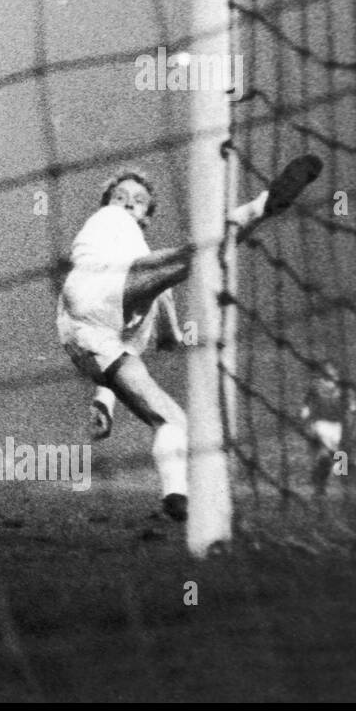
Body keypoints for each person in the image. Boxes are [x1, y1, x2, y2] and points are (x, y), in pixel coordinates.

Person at [57, 156, 321, 522]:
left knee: (172, 420)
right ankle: (261, 206)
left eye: (138, 199)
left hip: (85, 336)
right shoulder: (110, 220)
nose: (128, 201)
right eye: (119, 195)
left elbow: (118, 345)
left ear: (148, 215)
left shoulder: (139, 279)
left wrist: (104, 401)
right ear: (107, 203)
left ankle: (176, 496)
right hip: (94, 288)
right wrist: (173, 335)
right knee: (193, 255)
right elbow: (150, 292)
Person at [300, 361, 356, 497]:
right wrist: (305, 415)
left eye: (334, 371)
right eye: (329, 371)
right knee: (325, 455)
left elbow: (352, 408)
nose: (333, 374)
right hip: (321, 424)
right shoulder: (315, 386)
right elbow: (307, 404)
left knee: (341, 457)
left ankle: (342, 487)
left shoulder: (344, 388)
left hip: (338, 426)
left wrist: (351, 423)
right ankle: (320, 488)